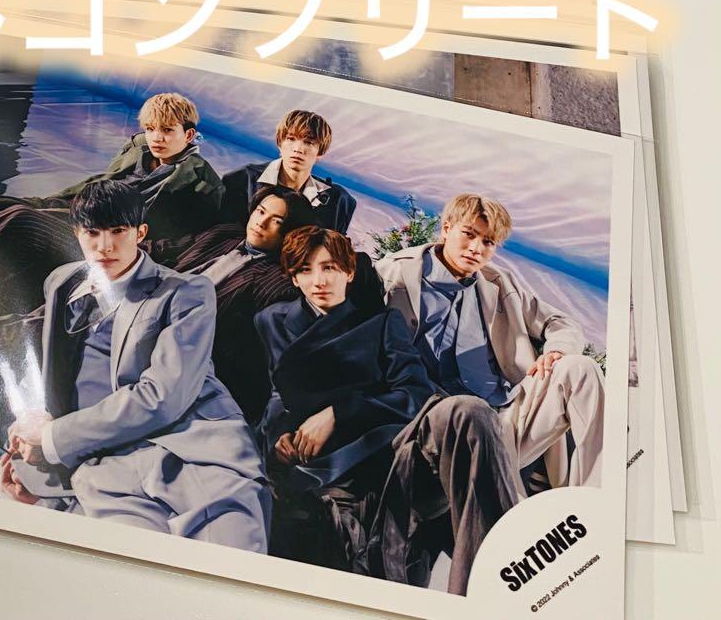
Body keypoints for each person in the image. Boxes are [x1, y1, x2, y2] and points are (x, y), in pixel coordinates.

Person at [0, 180, 269, 553]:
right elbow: (54, 369)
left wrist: (52, 436)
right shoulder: (61, 282)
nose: (104, 246)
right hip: (92, 447)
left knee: (222, 554)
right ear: (76, 233)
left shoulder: (185, 293)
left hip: (182, 444)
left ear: (140, 233)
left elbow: (162, 398)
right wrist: (33, 422)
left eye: (118, 231)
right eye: (92, 233)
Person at [254, 225, 518, 595]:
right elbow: (273, 393)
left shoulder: (379, 323)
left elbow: (414, 392)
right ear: (294, 278)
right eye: (305, 270)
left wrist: (339, 413)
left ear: (349, 271)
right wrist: (278, 435)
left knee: (470, 412)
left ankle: (495, 583)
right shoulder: (271, 321)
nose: (319, 281)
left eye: (329, 267)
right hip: (323, 464)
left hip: (390, 449)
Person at [0, 92, 224, 354]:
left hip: (102, 236)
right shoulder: (138, 152)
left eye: (167, 130)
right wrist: (47, 201)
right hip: (73, 208)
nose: (157, 137)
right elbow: (97, 183)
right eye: (150, 129)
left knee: (19, 221)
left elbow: (185, 238)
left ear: (188, 135)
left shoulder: (200, 183)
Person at [372, 194, 606, 492]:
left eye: (488, 242)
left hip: (506, 415)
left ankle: (592, 496)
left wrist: (557, 350)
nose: (476, 248)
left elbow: (561, 322)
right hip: (436, 422)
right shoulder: (396, 274)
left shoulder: (498, 283)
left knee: (581, 369)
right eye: (469, 234)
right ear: (446, 229)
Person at [172, 183, 315, 422]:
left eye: (276, 221)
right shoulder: (225, 234)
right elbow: (165, 249)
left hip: (184, 356)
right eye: (260, 211)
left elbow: (237, 350)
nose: (261, 222)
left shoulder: (278, 285)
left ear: (290, 232)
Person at [219, 109, 357, 234]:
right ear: (280, 143)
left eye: (309, 142)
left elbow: (335, 247)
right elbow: (222, 235)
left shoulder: (338, 201)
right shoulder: (243, 179)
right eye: (291, 139)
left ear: (320, 153)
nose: (298, 149)